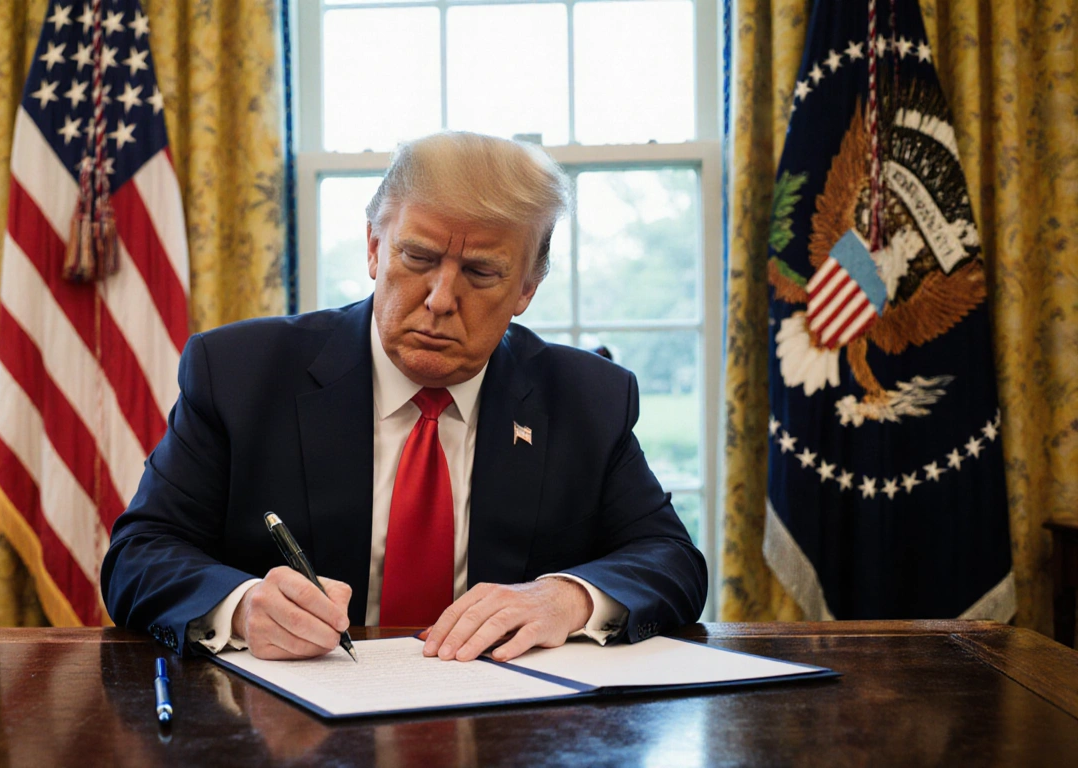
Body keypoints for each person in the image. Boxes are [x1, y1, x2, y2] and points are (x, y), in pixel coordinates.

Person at [101, 131, 707, 663]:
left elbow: (670, 558)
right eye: (417, 257)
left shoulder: (587, 398)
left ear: (527, 287)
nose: (440, 299)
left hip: (510, 720)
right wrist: (241, 605)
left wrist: (566, 598)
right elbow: (139, 555)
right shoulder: (240, 374)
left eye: (480, 272)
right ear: (373, 247)